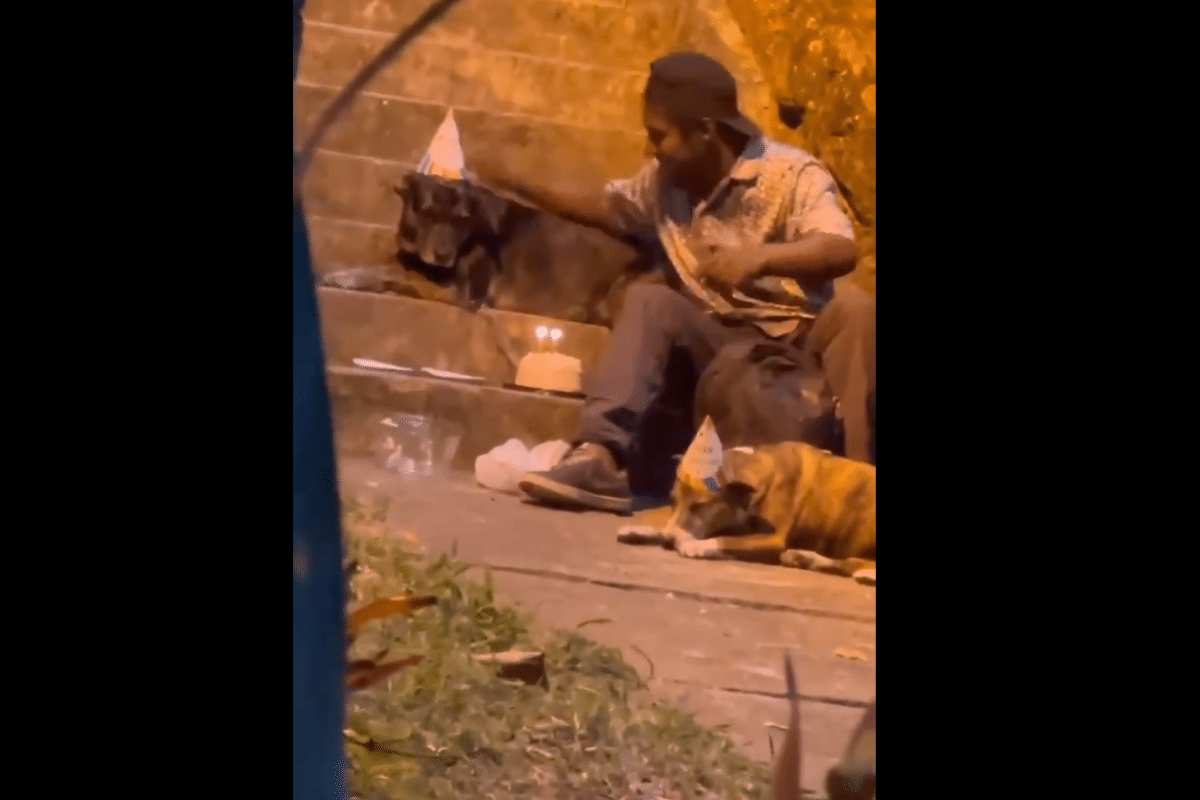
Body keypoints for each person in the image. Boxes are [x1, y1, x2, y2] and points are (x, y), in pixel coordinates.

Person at [472, 51, 876, 514]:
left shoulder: (790, 174)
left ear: (705, 131)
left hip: (798, 341)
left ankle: (860, 490)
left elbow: (840, 248)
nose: (650, 149)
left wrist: (760, 259)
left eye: (658, 135)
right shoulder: (664, 183)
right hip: (723, 346)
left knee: (855, 309)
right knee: (649, 300)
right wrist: (519, 185)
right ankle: (601, 456)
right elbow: (608, 207)